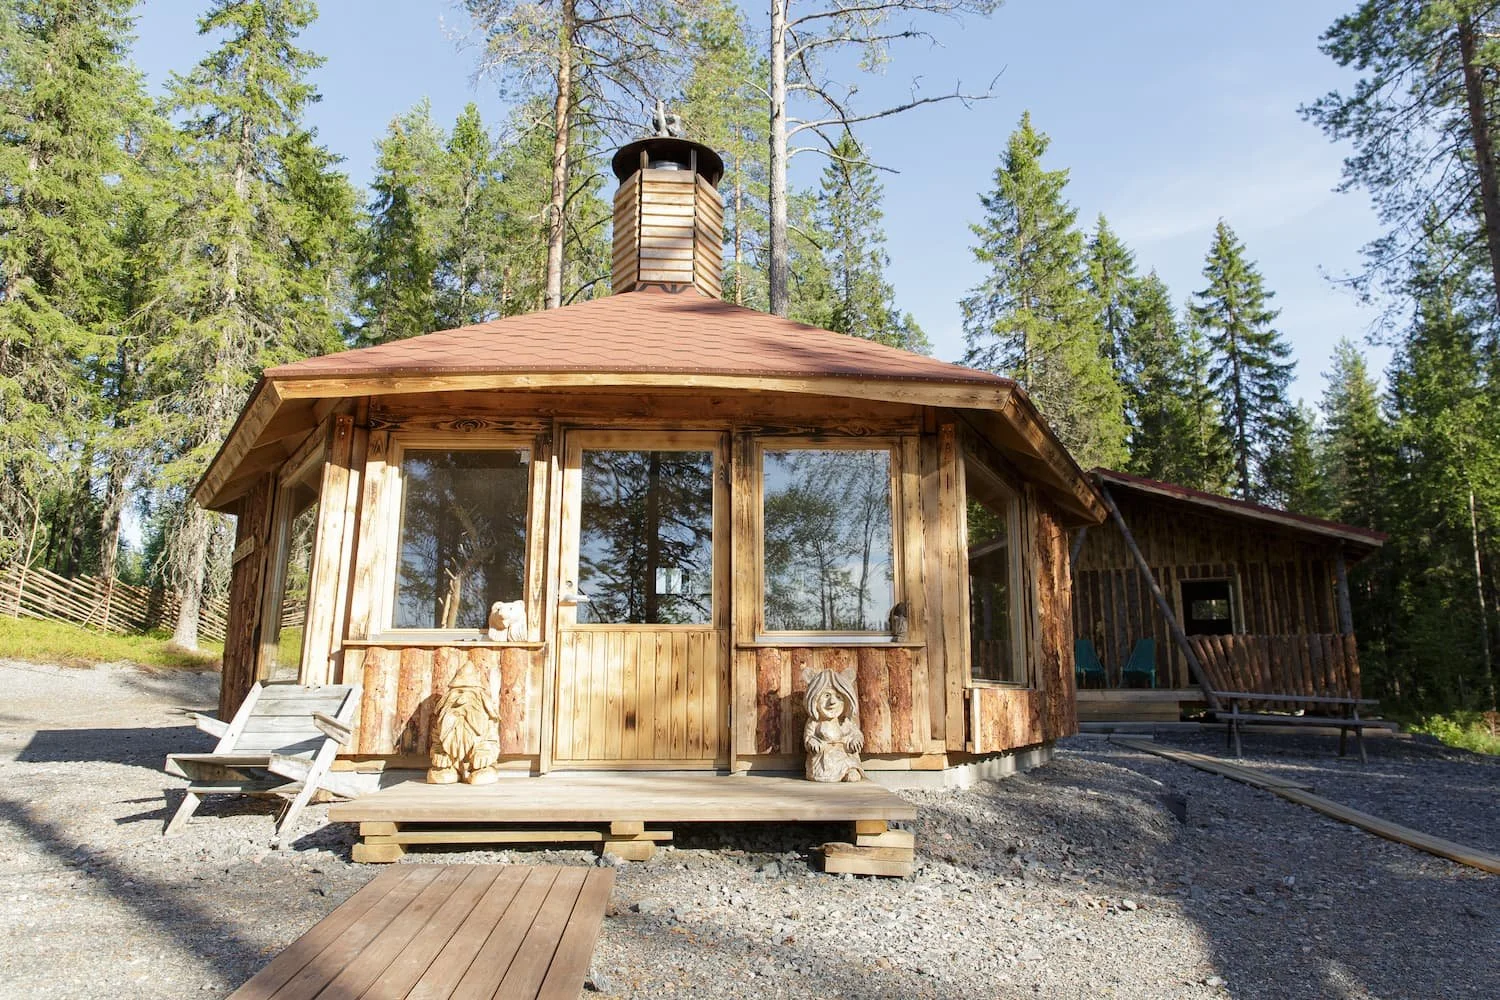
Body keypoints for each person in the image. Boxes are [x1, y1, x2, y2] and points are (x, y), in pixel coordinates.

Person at [803, 669, 866, 782]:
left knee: (853, 775)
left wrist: (856, 740)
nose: (832, 702)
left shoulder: (846, 721)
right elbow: (808, 737)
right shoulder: (815, 722)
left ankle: (850, 771)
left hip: (845, 757)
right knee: (821, 773)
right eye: (826, 695)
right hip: (824, 761)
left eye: (838, 697)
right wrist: (812, 742)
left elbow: (857, 734)